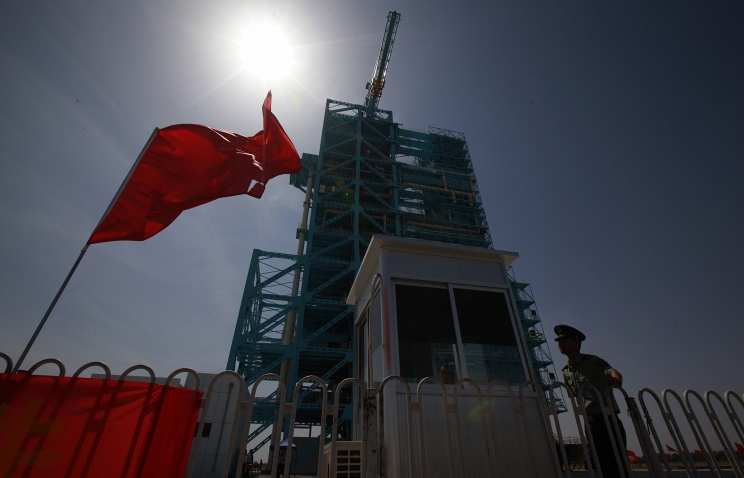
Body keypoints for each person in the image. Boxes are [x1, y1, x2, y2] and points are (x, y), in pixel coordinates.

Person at [554, 324, 627, 478]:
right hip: (590, 422)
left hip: (608, 418)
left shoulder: (593, 361)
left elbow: (610, 372)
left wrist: (615, 376)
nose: (560, 344)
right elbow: (574, 395)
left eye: (565, 340)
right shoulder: (566, 372)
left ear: (576, 342)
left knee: (618, 464)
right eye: (559, 341)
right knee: (599, 464)